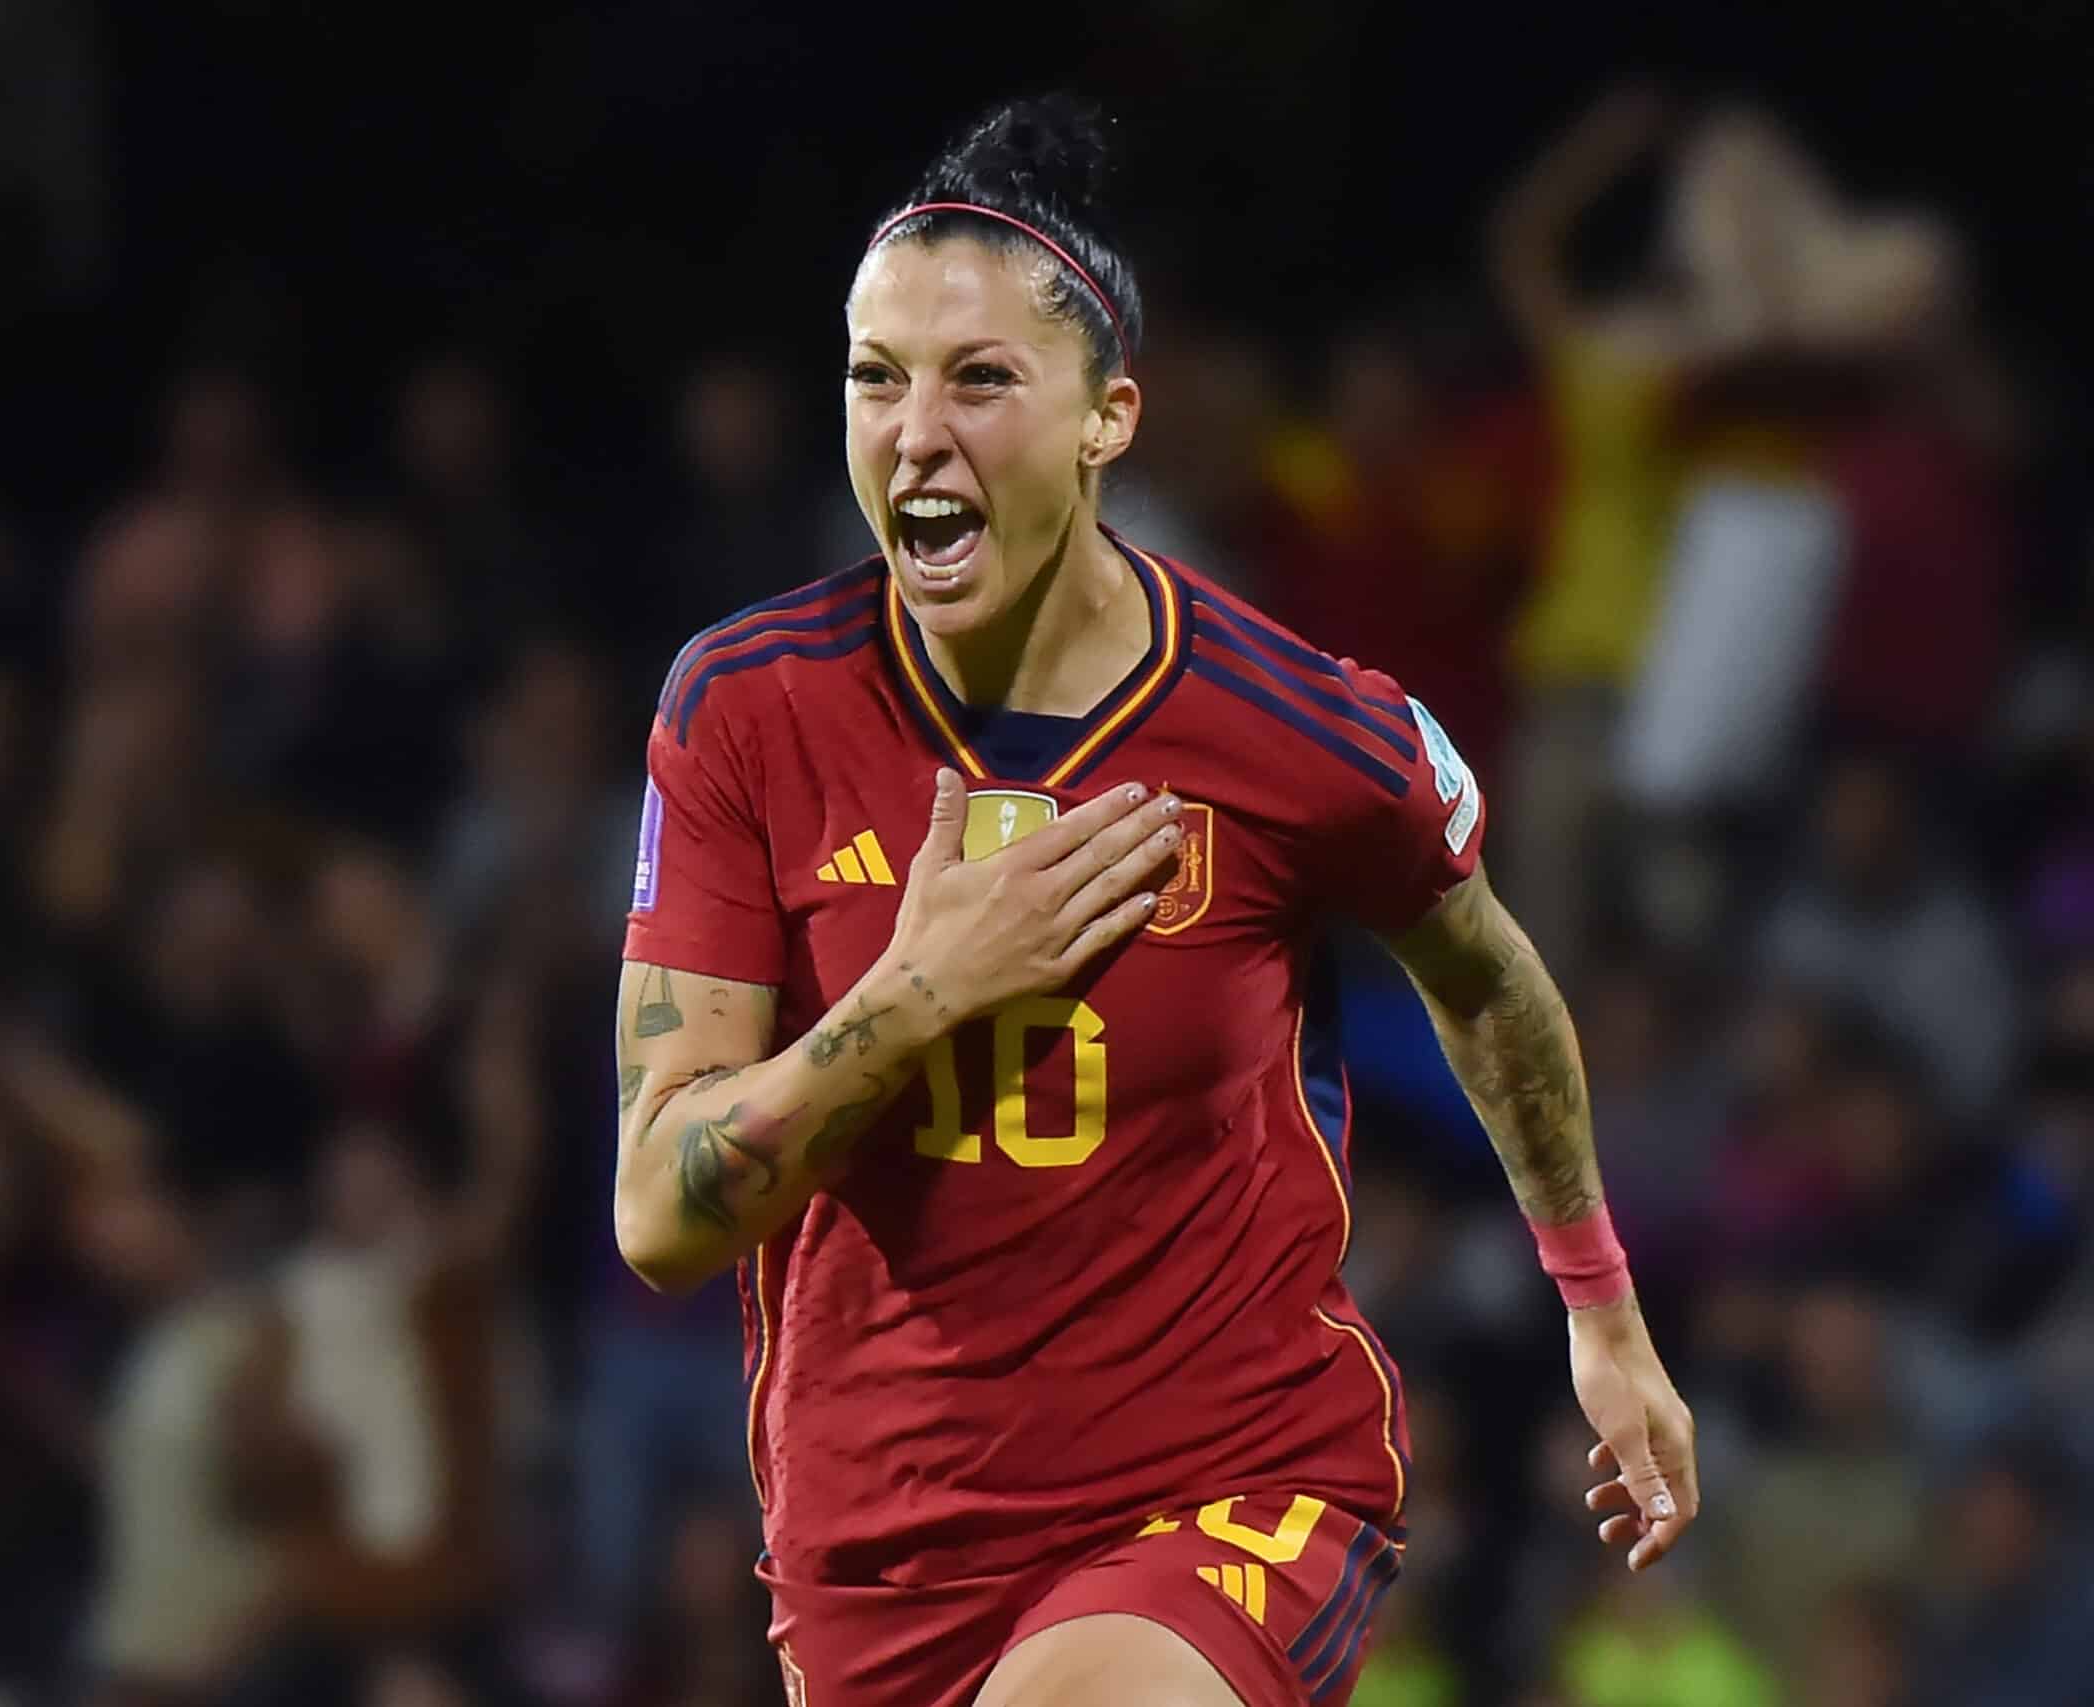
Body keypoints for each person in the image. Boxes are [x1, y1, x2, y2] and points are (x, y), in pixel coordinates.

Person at [615, 96, 1699, 1707]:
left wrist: (1600, 1311)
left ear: (1109, 417)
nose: (918, 431)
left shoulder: (1298, 729)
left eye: (981, 379)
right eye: (876, 377)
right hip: (880, 1556)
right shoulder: (747, 712)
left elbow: (1486, 979)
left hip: (1229, 1492)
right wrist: (918, 995)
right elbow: (660, 1218)